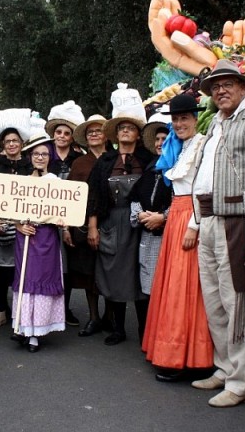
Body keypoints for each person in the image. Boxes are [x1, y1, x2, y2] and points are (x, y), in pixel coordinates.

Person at [190, 60, 245, 408]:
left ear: (243, 87)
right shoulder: (215, 123)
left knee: (238, 301)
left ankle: (241, 383)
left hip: (238, 221)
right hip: (209, 220)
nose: (220, 90)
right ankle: (225, 368)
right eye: (215, 86)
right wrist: (197, 222)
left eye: (228, 84)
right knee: (214, 303)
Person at [141, 94, 213, 382]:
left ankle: (191, 357)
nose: (180, 123)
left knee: (188, 286)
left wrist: (194, 225)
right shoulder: (179, 147)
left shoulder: (203, 144)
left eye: (184, 118)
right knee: (173, 285)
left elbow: (204, 189)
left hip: (191, 216)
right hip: (176, 217)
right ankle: (171, 352)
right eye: (176, 119)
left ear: (195, 119)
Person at [88, 91, 155, 346]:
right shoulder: (105, 162)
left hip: (141, 224)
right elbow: (94, 195)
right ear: (115, 135)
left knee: (141, 275)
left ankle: (144, 329)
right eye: (121, 128)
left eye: (130, 128)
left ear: (138, 134)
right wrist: (93, 227)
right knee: (113, 275)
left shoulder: (148, 161)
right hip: (111, 223)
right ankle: (117, 329)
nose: (125, 131)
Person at [10, 132, 67, 352]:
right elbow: (10, 208)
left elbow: (64, 211)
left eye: (44, 154)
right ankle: (22, 326)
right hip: (25, 236)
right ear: (30, 156)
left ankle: (36, 333)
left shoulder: (56, 182)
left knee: (41, 280)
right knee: (25, 279)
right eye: (36, 154)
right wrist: (18, 225)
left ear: (50, 157)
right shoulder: (22, 181)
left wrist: (63, 221)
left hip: (46, 237)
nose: (40, 157)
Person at [62, 115, 109, 336]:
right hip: (82, 224)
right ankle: (94, 316)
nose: (94, 134)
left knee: (110, 271)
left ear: (107, 135)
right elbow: (69, 197)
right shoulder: (79, 163)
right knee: (88, 272)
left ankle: (110, 317)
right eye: (90, 132)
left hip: (110, 222)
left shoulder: (115, 159)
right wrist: (66, 228)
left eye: (98, 130)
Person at [129, 113, 173, 343]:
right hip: (147, 236)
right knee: (146, 286)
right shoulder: (150, 168)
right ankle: (147, 336)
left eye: (164, 139)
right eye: (157, 139)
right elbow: (135, 196)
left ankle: (162, 338)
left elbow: (184, 201)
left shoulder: (178, 168)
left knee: (166, 288)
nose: (159, 143)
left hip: (169, 237)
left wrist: (163, 217)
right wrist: (140, 214)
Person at [0, 128, 33, 329]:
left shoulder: (30, 167)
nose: (11, 144)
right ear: (2, 145)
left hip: (23, 227)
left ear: (22, 143)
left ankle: (20, 312)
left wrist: (23, 223)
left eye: (15, 140)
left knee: (21, 270)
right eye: (7, 141)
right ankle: (0, 312)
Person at [45, 101, 86, 327]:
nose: (61, 136)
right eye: (58, 132)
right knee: (46, 264)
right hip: (45, 218)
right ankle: (46, 308)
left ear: (72, 138)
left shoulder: (78, 159)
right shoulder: (44, 155)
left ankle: (65, 307)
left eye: (66, 133)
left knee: (66, 266)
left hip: (69, 219)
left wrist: (68, 225)